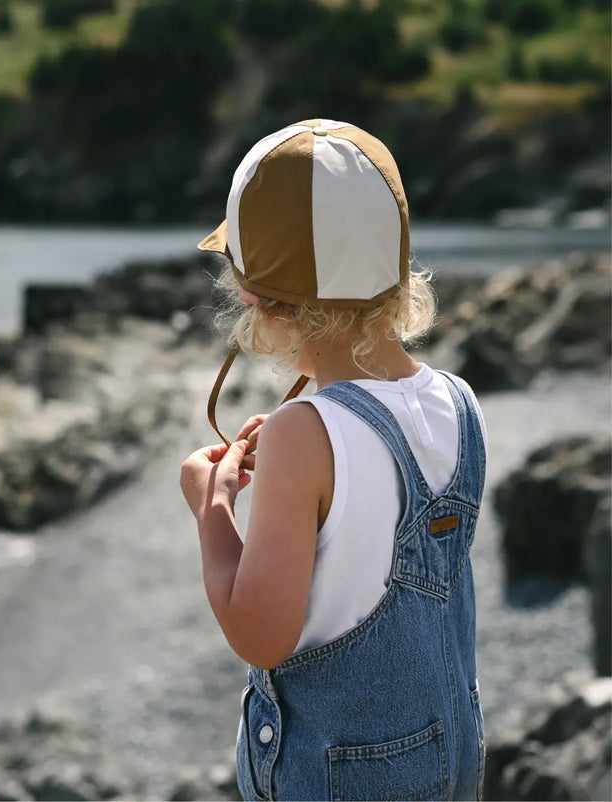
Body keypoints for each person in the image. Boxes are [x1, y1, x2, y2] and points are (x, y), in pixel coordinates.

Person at [179, 119, 488, 801]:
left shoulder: (302, 435)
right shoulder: (458, 402)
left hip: (343, 779)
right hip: (451, 759)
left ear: (257, 298)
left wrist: (211, 507)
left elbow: (259, 634)